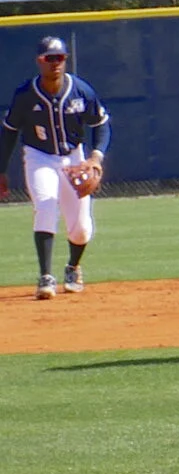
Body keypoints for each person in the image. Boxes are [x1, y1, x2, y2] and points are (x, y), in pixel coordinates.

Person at [1, 36, 110, 299]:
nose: (56, 63)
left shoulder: (81, 90)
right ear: (39, 61)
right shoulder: (25, 95)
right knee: (46, 204)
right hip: (39, 157)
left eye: (60, 57)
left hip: (74, 158)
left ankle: (73, 267)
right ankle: (46, 276)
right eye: (50, 58)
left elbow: (101, 125)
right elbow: (9, 133)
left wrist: (95, 158)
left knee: (82, 228)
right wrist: (1, 170)